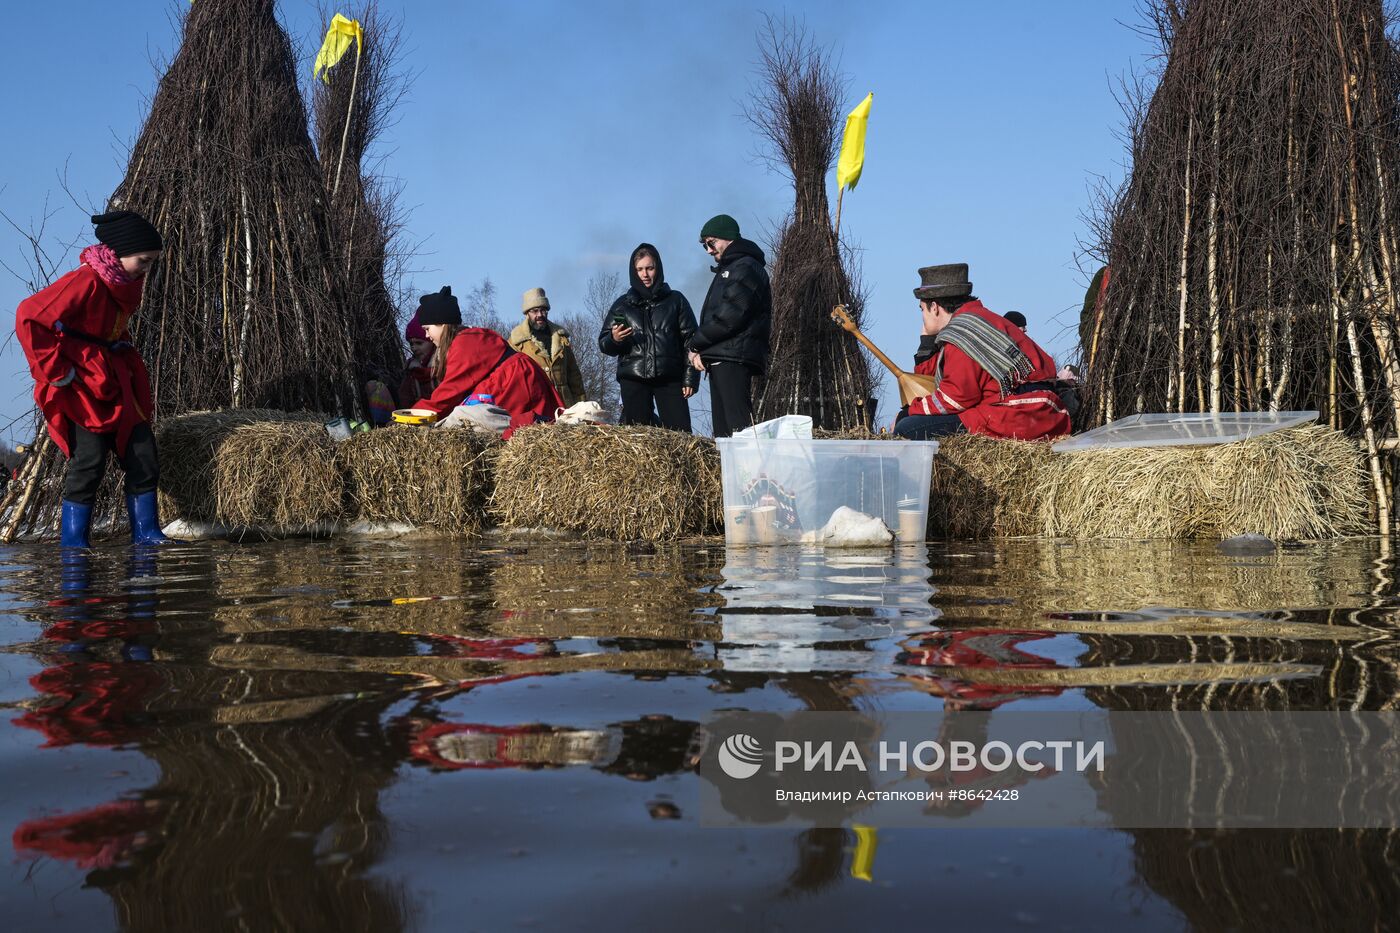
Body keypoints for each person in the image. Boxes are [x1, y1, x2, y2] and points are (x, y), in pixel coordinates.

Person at [15, 211, 171, 547]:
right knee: (90, 460)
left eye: (151, 263)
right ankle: (74, 542)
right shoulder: (85, 281)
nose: (146, 270)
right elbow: (29, 315)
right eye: (143, 261)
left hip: (116, 380)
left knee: (143, 453)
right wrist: (56, 372)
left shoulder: (124, 283)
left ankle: (147, 533)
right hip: (82, 386)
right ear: (117, 253)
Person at [893, 263, 1071, 441]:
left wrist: (908, 412)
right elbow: (932, 380)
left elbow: (955, 398)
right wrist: (927, 342)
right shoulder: (981, 321)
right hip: (1044, 412)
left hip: (1016, 415)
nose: (922, 316)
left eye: (922, 309)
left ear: (934, 307)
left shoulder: (962, 334)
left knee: (907, 429)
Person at [412, 286, 562, 439]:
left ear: (442, 323)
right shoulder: (468, 338)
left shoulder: (464, 345)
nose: (426, 335)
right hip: (519, 378)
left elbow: (447, 396)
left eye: (427, 329)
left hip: (516, 383)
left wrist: (412, 417)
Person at [685, 214, 771, 437]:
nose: (708, 250)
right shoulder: (732, 267)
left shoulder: (744, 267)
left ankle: (751, 472)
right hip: (724, 355)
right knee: (724, 434)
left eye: (711, 243)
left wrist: (696, 344)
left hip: (733, 355)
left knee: (738, 428)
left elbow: (730, 317)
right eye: (705, 245)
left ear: (727, 237)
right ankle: (730, 471)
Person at [599, 243, 699, 431]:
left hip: (670, 378)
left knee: (681, 435)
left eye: (649, 268)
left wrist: (690, 377)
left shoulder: (676, 301)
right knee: (637, 439)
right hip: (633, 378)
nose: (645, 274)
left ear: (658, 268)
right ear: (633, 271)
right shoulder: (622, 305)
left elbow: (692, 341)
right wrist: (615, 339)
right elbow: (603, 344)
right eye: (640, 269)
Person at [509, 287, 586, 407]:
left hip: (565, 407)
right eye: (535, 311)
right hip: (536, 407)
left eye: (543, 310)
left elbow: (574, 375)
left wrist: (582, 405)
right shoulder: (516, 343)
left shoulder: (561, 338)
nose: (540, 315)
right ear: (527, 313)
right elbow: (513, 383)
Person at [397, 311, 436, 407]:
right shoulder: (411, 371)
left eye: (419, 343)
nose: (413, 348)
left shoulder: (446, 365)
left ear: (432, 341)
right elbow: (405, 399)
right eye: (411, 344)